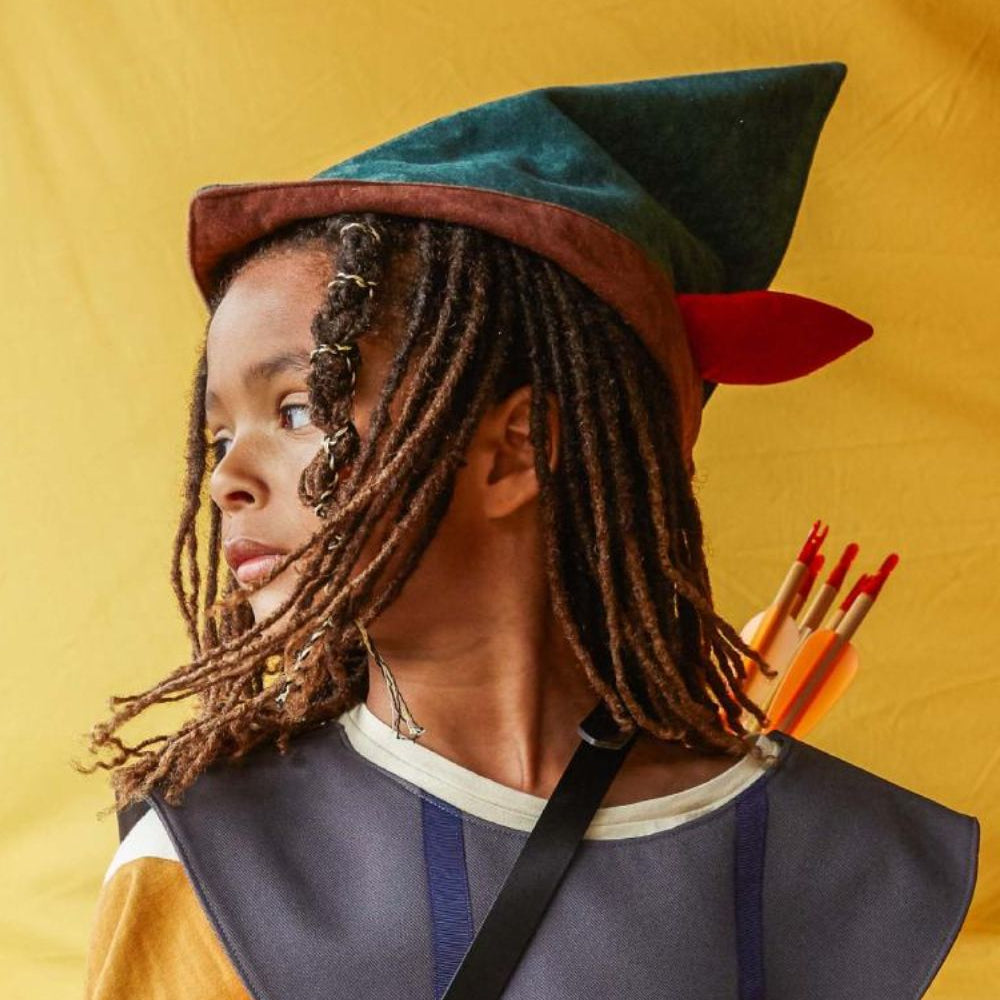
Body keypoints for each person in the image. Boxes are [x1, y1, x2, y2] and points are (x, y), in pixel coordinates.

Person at [79, 62, 979, 999]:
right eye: (219, 436)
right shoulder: (210, 869)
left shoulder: (860, 870)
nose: (224, 479)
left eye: (299, 409)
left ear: (516, 450)